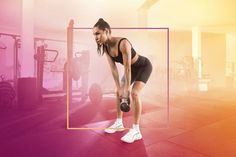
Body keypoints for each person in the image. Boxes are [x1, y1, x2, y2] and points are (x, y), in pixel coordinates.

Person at [93, 18, 152, 143]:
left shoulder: (123, 43)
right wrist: (119, 88)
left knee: (134, 93)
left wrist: (126, 90)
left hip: (143, 66)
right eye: (94, 34)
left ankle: (136, 131)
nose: (96, 37)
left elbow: (127, 69)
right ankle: (119, 123)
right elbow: (114, 69)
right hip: (131, 69)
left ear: (107, 31)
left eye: (98, 33)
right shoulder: (106, 47)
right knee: (117, 91)